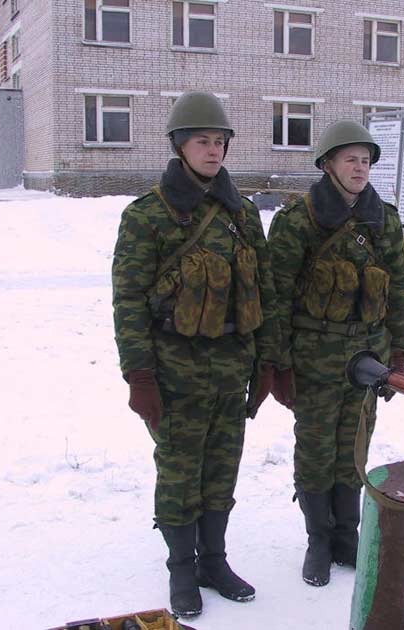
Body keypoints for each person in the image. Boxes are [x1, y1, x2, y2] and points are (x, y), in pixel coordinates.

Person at [112, 91, 280, 617]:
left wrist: (267, 362)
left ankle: (214, 561)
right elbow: (128, 300)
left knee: (222, 468)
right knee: (180, 472)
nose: (213, 150)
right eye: (202, 141)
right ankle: (181, 570)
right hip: (175, 368)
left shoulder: (242, 214)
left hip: (233, 364)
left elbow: (265, 291)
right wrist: (139, 375)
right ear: (179, 146)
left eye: (220, 142)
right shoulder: (148, 215)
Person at [267, 120, 404, 587]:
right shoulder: (298, 220)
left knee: (354, 446)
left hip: (368, 357)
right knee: (315, 449)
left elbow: (399, 287)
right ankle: (318, 540)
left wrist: (400, 351)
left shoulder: (383, 219)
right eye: (350, 159)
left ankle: (346, 536)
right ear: (328, 164)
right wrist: (278, 363)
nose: (360, 167)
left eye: (366, 160)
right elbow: (276, 296)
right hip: (314, 356)